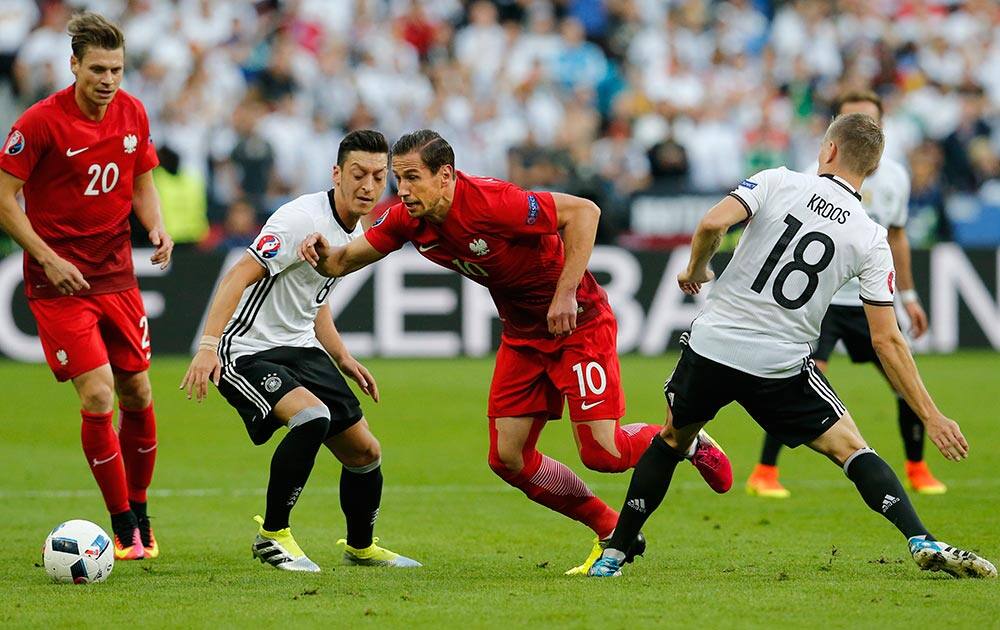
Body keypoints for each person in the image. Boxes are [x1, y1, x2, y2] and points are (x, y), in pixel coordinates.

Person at [299, 129, 733, 574]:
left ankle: (685, 439)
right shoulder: (407, 219)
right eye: (399, 179)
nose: (402, 190)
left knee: (603, 454)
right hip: (523, 336)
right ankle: (610, 528)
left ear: (445, 175)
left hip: (578, 324)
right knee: (508, 458)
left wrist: (565, 293)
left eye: (413, 178)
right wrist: (319, 251)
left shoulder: (492, 202)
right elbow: (343, 261)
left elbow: (585, 212)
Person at [589, 113, 996, 579]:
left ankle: (614, 555)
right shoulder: (870, 237)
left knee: (672, 439)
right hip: (779, 363)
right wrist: (931, 415)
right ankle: (920, 538)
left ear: (829, 151)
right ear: (873, 168)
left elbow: (710, 224)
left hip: (714, 345)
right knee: (850, 448)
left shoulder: (776, 181)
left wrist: (696, 268)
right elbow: (887, 340)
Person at [180, 130, 419, 573]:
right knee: (313, 418)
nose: (369, 185)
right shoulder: (298, 219)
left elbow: (315, 297)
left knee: (365, 452)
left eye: (378, 176)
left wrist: (343, 358)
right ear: (336, 174)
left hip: (301, 347)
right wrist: (209, 347)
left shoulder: (356, 227)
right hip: (246, 349)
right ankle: (273, 536)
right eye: (358, 174)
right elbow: (236, 276)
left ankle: (361, 548)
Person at [0, 12, 171, 561]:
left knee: (138, 392)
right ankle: (122, 528)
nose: (108, 79)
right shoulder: (39, 122)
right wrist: (46, 259)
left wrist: (156, 223)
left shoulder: (133, 111)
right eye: (97, 68)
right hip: (60, 282)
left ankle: (140, 512)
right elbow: (4, 199)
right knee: (98, 395)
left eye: (117, 69)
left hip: (116, 273)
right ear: (73, 65)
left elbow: (141, 174)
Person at [747, 90, 940, 499]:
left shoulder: (897, 178)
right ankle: (764, 471)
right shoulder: (812, 170)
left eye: (869, 120)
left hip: (873, 301)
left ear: (882, 128)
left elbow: (898, 236)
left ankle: (918, 467)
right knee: (798, 378)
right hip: (825, 299)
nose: (862, 127)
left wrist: (909, 295)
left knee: (901, 376)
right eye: (853, 119)